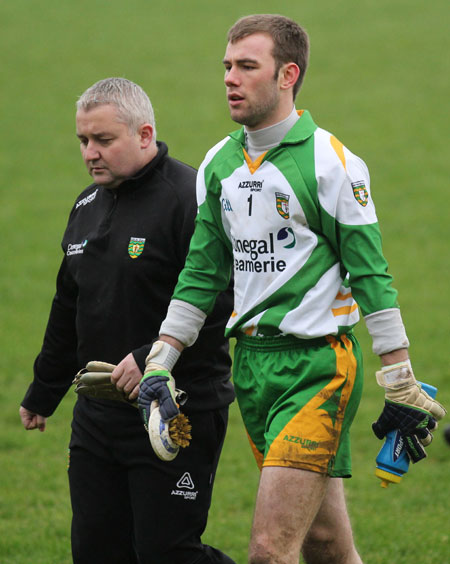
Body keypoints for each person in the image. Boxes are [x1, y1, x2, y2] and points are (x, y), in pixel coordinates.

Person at [137, 15, 447, 564]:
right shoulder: (219, 164)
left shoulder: (332, 163)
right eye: (227, 66)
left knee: (268, 550)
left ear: (288, 75)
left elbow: (370, 274)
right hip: (252, 369)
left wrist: (399, 377)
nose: (231, 78)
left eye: (247, 67)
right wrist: (161, 359)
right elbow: (203, 274)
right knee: (327, 545)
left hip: (317, 371)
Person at [19, 77, 236, 564]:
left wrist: (150, 359)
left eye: (103, 140)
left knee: (168, 553)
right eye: (83, 140)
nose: (90, 153)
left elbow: (224, 300)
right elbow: (67, 303)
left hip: (177, 407)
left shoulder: (190, 198)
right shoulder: (86, 206)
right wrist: (44, 390)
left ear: (144, 134)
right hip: (98, 413)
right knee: (96, 550)